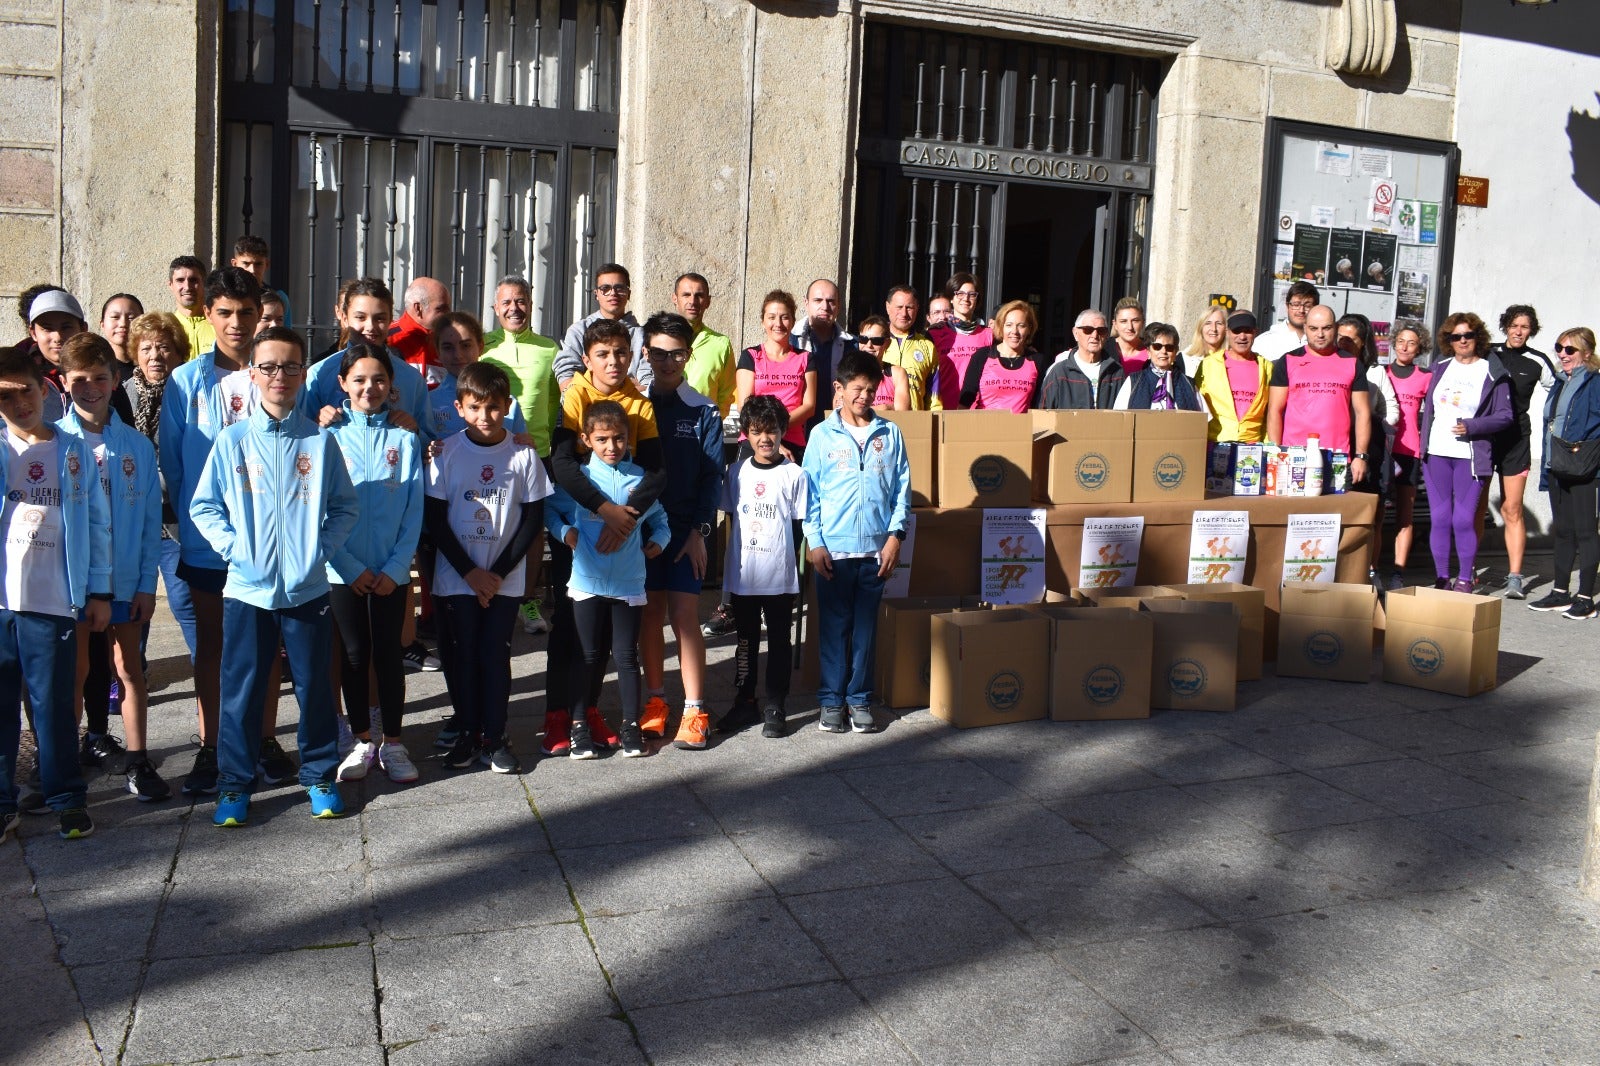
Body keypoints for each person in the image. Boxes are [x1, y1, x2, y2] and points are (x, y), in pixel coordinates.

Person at [191, 325, 361, 825]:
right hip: (247, 589)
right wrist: (235, 549)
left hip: (307, 588)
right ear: (252, 373)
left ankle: (319, 776)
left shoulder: (319, 441)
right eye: (268, 366)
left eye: (290, 366)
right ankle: (234, 785)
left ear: (303, 372)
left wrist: (317, 552)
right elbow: (204, 506)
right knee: (241, 689)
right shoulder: (233, 439)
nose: (279, 376)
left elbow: (344, 508)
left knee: (313, 687)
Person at [159, 266, 269, 796]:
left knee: (266, 643)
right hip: (208, 538)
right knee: (212, 644)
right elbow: (175, 463)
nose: (236, 323)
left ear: (261, 315)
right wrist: (193, 524)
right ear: (208, 314)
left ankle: (266, 739)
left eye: (246, 313)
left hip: (270, 536)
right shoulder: (185, 381)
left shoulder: (277, 370)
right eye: (225, 312)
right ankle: (210, 745)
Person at [0, 346, 112, 842]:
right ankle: (3, 804)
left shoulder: (72, 450)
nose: (18, 402)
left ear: (45, 388)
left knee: (52, 706)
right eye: (3, 396)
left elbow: (97, 523)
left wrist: (99, 590)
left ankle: (65, 796)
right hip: (1, 600)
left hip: (51, 599)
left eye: (24, 389)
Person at [543, 320, 666, 756]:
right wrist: (604, 511)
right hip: (586, 530)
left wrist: (627, 519)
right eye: (602, 354)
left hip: (623, 537)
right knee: (570, 633)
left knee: (612, 646)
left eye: (620, 353)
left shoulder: (640, 403)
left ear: (630, 356)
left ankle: (591, 713)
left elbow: (656, 473)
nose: (612, 361)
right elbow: (562, 465)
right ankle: (561, 714)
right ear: (587, 359)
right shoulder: (575, 395)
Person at [56, 334, 167, 801]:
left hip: (124, 582)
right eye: (79, 379)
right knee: (77, 670)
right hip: (73, 583)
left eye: (100, 377)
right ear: (64, 382)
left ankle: (139, 760)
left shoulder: (136, 446)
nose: (90, 388)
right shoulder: (56, 443)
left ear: (115, 379)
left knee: (129, 669)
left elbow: (147, 521)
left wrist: (146, 583)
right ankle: (64, 765)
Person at [425, 361, 551, 772]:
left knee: (495, 655)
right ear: (459, 407)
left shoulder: (522, 454)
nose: (485, 416)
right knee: (463, 656)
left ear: (507, 406)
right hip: (458, 577)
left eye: (494, 407)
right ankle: (467, 733)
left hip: (504, 579)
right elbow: (436, 521)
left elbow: (532, 519)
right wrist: (470, 573)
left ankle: (495, 737)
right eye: (475, 407)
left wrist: (496, 573)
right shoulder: (445, 453)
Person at [327, 342, 424, 784]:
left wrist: (395, 567)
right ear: (343, 384)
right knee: (352, 655)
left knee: (389, 654)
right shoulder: (326, 438)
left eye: (379, 379)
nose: (370, 387)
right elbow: (321, 512)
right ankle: (362, 740)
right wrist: (349, 567)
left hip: (390, 571)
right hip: (341, 569)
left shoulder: (405, 439)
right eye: (360, 379)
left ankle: (395, 743)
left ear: (392, 385)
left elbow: (413, 510)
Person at [801, 349, 912, 735]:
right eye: (856, 389)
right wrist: (815, 542)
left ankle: (859, 698)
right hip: (834, 549)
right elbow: (809, 494)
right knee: (834, 628)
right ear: (839, 388)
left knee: (865, 629)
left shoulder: (890, 433)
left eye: (871, 389)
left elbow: (902, 491)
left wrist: (896, 536)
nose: (864, 397)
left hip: (875, 551)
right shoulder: (821, 435)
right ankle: (831, 701)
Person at [637, 313, 723, 751]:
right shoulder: (633, 403)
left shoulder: (703, 408)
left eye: (677, 353)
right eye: (659, 353)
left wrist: (699, 532)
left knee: (684, 619)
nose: (668, 362)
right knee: (650, 617)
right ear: (646, 353)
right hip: (642, 534)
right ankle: (656, 702)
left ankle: (694, 710)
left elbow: (711, 477)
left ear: (689, 354)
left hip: (686, 532)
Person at [723, 395, 808, 739]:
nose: (765, 439)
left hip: (779, 577)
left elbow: (800, 526)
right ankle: (745, 700)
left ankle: (776, 704)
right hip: (744, 576)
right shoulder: (736, 472)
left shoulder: (795, 474)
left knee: (778, 641)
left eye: (772, 431)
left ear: (783, 431)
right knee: (744, 640)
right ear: (747, 433)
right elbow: (731, 517)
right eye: (757, 431)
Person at [1417, 312, 1512, 593]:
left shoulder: (1492, 371)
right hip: (1436, 453)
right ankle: (1442, 577)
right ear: (1448, 340)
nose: (1461, 340)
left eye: (1467, 335)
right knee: (1441, 518)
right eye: (1455, 336)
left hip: (1471, 457)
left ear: (1477, 337)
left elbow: (1506, 416)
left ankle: (1465, 578)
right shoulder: (1439, 367)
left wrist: (1473, 426)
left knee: (1462, 519)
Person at [126, 312, 196, 658]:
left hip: (174, 520)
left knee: (184, 600)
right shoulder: (122, 395)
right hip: (132, 519)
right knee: (132, 603)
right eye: (147, 347)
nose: (155, 356)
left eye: (165, 348)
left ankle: (209, 671)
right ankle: (131, 673)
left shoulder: (188, 393)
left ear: (179, 352)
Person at [1482, 304, 1555, 600]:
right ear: (1505, 327)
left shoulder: (1538, 360)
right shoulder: (1488, 353)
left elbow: (1562, 390)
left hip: (1517, 441)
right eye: (1514, 325)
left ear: (1531, 330)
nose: (1518, 331)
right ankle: (1468, 572)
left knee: (1512, 508)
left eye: (1524, 327)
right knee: (1476, 508)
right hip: (1485, 439)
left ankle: (1515, 578)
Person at [1529, 328, 1600, 618]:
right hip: (1557, 464)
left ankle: (1585, 599)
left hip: (1586, 467)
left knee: (1586, 533)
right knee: (1564, 532)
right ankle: (1560, 592)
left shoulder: (1594, 382)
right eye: (1559, 347)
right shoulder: (1561, 381)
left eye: (1569, 349)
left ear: (1586, 352)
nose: (1562, 354)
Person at [300, 279, 430, 436]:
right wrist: (315, 424)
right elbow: (301, 438)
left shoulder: (411, 378)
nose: (370, 326)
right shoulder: (319, 373)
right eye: (360, 317)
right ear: (345, 318)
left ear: (391, 320)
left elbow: (430, 441)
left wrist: (416, 431)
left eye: (380, 318)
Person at [1265, 306, 1373, 488]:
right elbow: (1275, 411)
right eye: (1314, 328)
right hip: (1294, 457)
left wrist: (1361, 456)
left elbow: (1363, 413)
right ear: (1305, 327)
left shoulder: (1352, 363)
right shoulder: (1288, 360)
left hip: (1337, 460)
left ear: (1336, 327)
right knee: (1293, 515)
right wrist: (1277, 454)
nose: (1320, 334)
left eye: (1327, 328)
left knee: (1336, 516)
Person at [736, 290, 817, 463]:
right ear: (763, 321)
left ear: (793, 321)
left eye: (785, 317)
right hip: (754, 441)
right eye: (771, 317)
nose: (778, 323)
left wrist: (777, 432)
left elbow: (809, 406)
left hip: (793, 441)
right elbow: (744, 406)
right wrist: (769, 437)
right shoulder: (750, 356)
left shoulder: (805, 358)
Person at [1383, 322, 1430, 588]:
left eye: (1411, 342)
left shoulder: (1426, 376)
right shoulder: (1382, 373)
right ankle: (1372, 568)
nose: (1404, 346)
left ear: (1419, 347)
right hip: (1385, 451)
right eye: (1401, 340)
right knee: (1377, 513)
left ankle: (1398, 572)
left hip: (1410, 450)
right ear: (1393, 342)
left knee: (1405, 514)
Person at [554, 264, 645, 389]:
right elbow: (567, 378)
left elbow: (647, 384)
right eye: (605, 288)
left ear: (628, 293)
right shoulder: (578, 331)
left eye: (620, 288)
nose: (613, 293)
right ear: (596, 294)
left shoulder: (643, 335)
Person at [1337, 312, 1398, 494]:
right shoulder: (1330, 366)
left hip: (1367, 440)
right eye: (1340, 338)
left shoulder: (1374, 371)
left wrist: (1381, 424)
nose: (1344, 344)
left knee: (1368, 492)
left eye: (1350, 340)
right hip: (1337, 438)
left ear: (1362, 342)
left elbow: (1391, 407)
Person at [959, 300, 1050, 412]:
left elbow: (1040, 405)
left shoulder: (1038, 361)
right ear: (1001, 327)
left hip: (1021, 428)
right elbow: (964, 402)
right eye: (1009, 325)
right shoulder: (982, 356)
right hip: (984, 427)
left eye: (1021, 326)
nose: (1014, 331)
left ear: (1029, 329)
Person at [1194, 311, 1271, 441]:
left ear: (1255, 333)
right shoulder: (1209, 364)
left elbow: (1271, 412)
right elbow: (1196, 408)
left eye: (1247, 331)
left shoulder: (1267, 368)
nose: (1242, 337)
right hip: (1215, 444)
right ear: (1227, 332)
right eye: (1236, 331)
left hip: (1252, 447)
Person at [672, 272, 736, 414]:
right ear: (675, 298)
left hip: (704, 430)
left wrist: (713, 424)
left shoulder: (721, 344)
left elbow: (726, 395)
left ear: (708, 301)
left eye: (699, 296)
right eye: (686, 295)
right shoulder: (660, 340)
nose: (693, 301)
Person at [790, 280, 853, 424]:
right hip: (796, 428)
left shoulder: (852, 346)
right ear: (806, 303)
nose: (825, 307)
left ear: (839, 306)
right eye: (818, 300)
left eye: (831, 301)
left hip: (837, 427)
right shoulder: (789, 340)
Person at [1039, 309, 1125, 410]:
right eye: (1088, 330)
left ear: (1106, 335)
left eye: (1101, 331)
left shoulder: (1116, 372)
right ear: (1075, 333)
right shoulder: (1059, 373)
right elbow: (1043, 413)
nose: (1095, 335)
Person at [930, 272, 993, 410]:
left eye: (972, 294)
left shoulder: (989, 335)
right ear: (951, 298)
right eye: (960, 293)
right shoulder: (934, 335)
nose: (966, 298)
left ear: (977, 299)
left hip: (976, 412)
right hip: (943, 410)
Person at [1114, 322, 1201, 411]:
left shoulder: (1189, 384)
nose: (1163, 351)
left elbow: (1201, 420)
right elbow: (1119, 417)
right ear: (1148, 351)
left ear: (1175, 353)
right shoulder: (1133, 382)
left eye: (1169, 347)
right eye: (1157, 346)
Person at [882, 286, 939, 410]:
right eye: (899, 307)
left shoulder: (928, 347)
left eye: (909, 308)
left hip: (914, 423)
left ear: (917, 309)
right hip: (879, 422)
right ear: (887, 307)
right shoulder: (874, 342)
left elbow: (934, 399)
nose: (904, 313)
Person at [389, 277, 452, 387]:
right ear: (418, 308)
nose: (448, 314)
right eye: (441, 308)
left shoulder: (450, 340)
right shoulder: (388, 338)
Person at [230, 235, 293, 328]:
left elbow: (286, 336)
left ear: (266, 264)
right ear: (234, 264)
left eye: (258, 264)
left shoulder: (280, 297)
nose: (252, 270)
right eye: (246, 263)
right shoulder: (225, 298)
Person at [853, 316, 910, 411]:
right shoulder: (848, 371)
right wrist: (886, 407)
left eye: (876, 341)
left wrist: (861, 409)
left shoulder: (897, 374)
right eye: (863, 339)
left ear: (887, 343)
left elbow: (902, 413)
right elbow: (841, 410)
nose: (869, 345)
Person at [1255, 281, 1319, 362]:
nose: (1301, 310)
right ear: (1287, 306)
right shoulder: (1264, 342)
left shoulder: (1322, 341)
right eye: (1296, 305)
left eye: (1307, 306)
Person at [167, 256, 214, 359]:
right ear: (170, 285)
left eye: (193, 280)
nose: (187, 287)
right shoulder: (166, 328)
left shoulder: (218, 323)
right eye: (180, 280)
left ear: (204, 283)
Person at [100, 294, 144, 381]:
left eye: (131, 318)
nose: (123, 324)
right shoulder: (96, 366)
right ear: (102, 324)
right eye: (115, 317)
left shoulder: (150, 365)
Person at [1183, 306, 1226, 378]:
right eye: (1208, 323)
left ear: (1226, 329)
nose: (1213, 329)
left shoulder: (1233, 358)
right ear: (1201, 328)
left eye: (1219, 323)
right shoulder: (1185, 359)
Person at [1110, 297, 1149, 375]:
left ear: (1143, 323)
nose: (1130, 327)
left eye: (1135, 321)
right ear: (1115, 324)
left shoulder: (1152, 351)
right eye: (1123, 321)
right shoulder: (1105, 350)